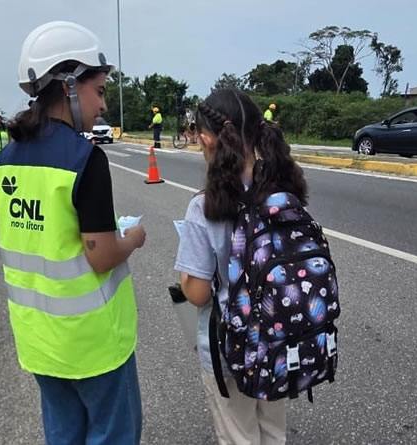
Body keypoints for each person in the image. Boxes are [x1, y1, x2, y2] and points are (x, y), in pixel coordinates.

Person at [0, 21, 146, 445]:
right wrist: (131, 239)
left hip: (39, 341)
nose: (102, 106)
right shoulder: (84, 160)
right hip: (93, 345)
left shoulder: (4, 161)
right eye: (99, 91)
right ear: (69, 87)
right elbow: (100, 254)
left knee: (63, 436)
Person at [174, 88, 308, 445]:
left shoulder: (204, 208)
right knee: (272, 431)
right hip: (280, 338)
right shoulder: (283, 191)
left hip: (230, 349)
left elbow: (200, 294)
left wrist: (185, 276)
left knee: (239, 435)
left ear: (205, 138)